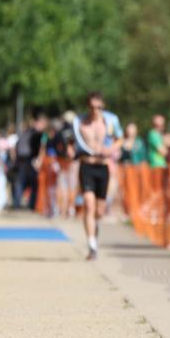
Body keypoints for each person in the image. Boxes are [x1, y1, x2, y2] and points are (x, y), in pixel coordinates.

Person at [73, 92, 121, 260]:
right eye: (92, 107)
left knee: (99, 210)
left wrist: (111, 149)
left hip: (103, 166)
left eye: (99, 107)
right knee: (89, 204)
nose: (95, 111)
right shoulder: (80, 123)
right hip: (86, 164)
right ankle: (92, 244)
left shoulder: (111, 121)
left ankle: (95, 226)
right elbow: (73, 141)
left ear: (103, 107)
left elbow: (120, 139)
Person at [12, 111, 48, 210]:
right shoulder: (39, 134)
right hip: (29, 160)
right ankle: (27, 204)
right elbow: (42, 147)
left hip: (24, 160)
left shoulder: (26, 132)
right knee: (29, 182)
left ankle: (20, 204)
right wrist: (39, 160)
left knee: (22, 182)